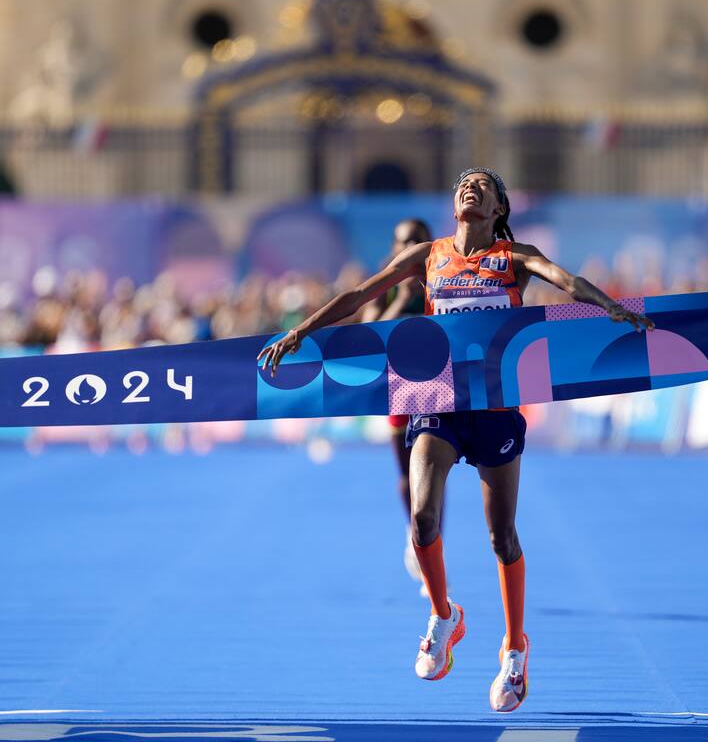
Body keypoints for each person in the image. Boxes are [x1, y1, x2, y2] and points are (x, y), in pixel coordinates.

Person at [260, 168, 652, 712]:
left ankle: (515, 647)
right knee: (423, 518)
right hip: (437, 405)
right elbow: (358, 294)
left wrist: (607, 305)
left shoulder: (515, 257)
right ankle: (444, 615)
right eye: (463, 184)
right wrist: (302, 331)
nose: (470, 188)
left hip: (493, 409)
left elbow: (563, 280)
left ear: (498, 209)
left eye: (482, 186)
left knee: (502, 537)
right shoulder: (428, 254)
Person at [360, 218, 441, 599]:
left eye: (417, 240)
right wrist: (399, 301)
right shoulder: (385, 283)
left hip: (434, 384)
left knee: (431, 471)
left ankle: (429, 543)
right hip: (396, 386)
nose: (409, 246)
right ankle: (415, 535)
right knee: (407, 472)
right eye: (403, 241)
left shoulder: (442, 276)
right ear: (394, 248)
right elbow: (367, 335)